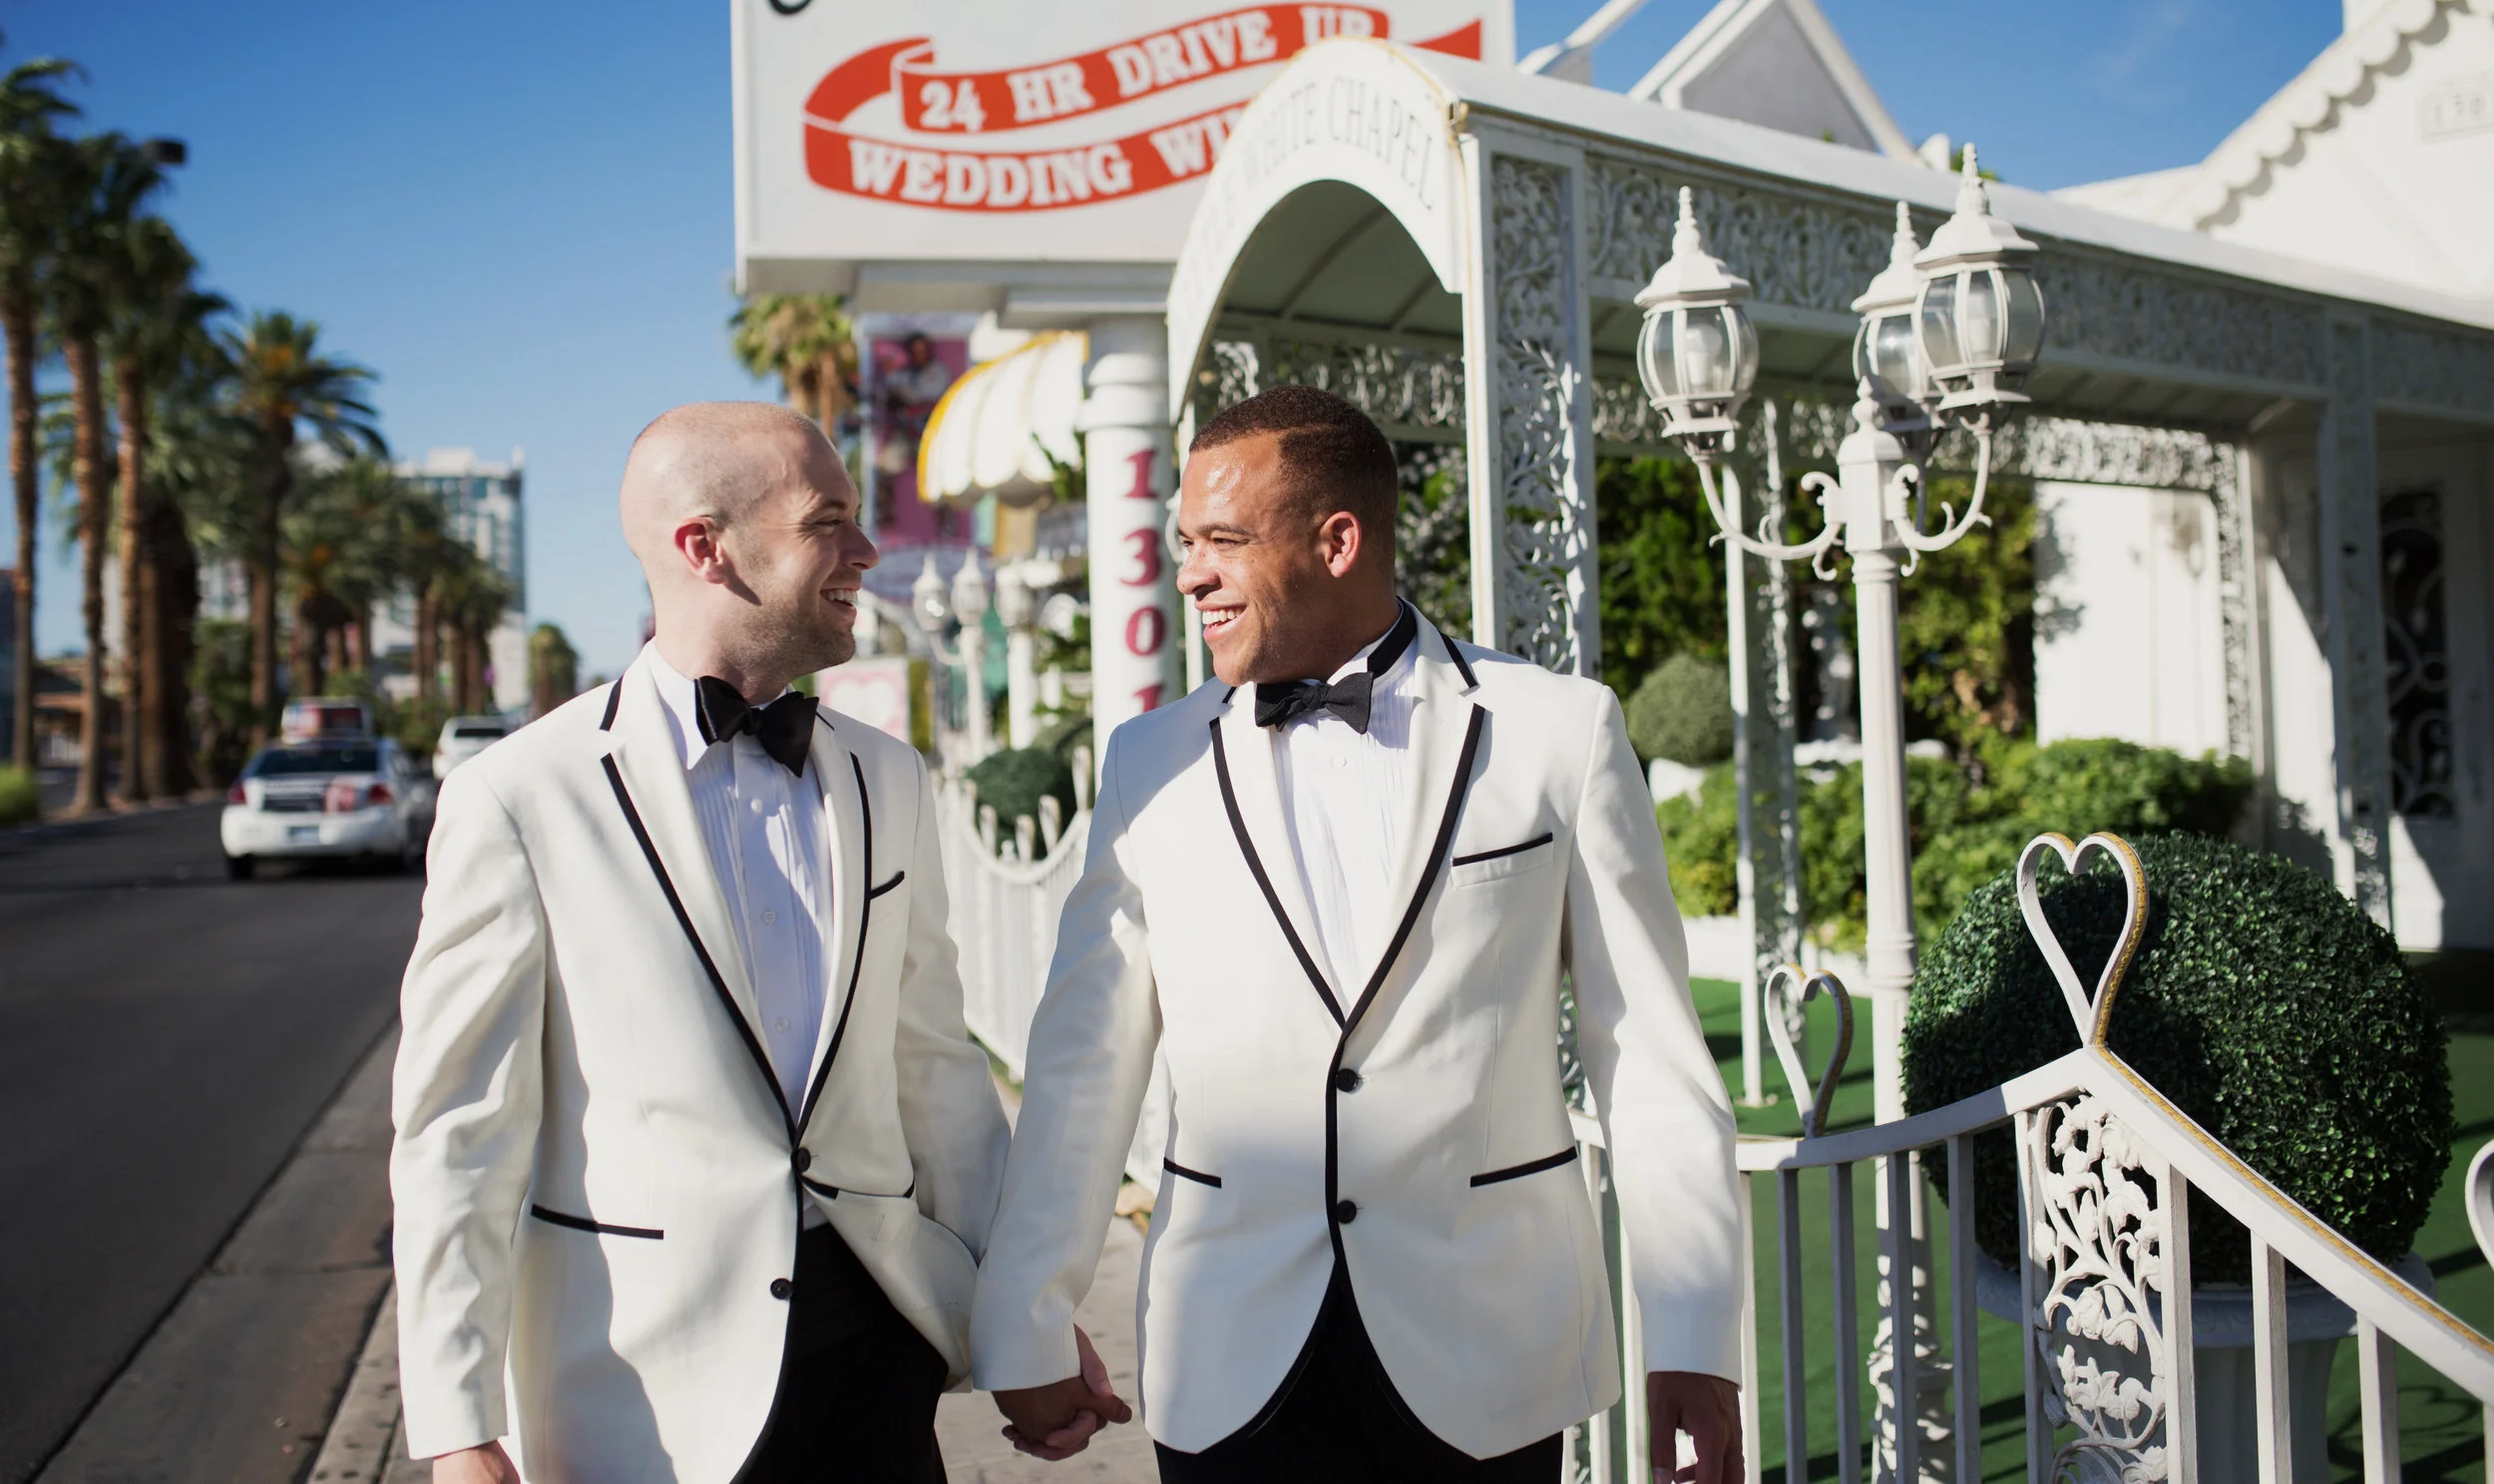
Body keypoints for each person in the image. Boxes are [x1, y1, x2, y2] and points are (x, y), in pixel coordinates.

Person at [970, 385, 1746, 1482]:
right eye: (1186, 542)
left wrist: (1694, 1337)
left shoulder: (1557, 733)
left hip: (1488, 1354)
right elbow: (1082, 1063)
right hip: (1228, 1354)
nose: (1190, 574)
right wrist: (1026, 1317)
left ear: (1336, 541)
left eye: (1224, 541)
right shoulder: (1149, 764)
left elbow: (1649, 1054)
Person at [391, 402, 1076, 1483]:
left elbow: (938, 1074)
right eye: (828, 521)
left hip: (880, 1348)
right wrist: (455, 1427)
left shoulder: (888, 777)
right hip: (639, 1401)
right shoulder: (518, 798)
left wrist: (1022, 1327)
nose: (867, 549)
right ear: (705, 545)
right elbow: (457, 1135)